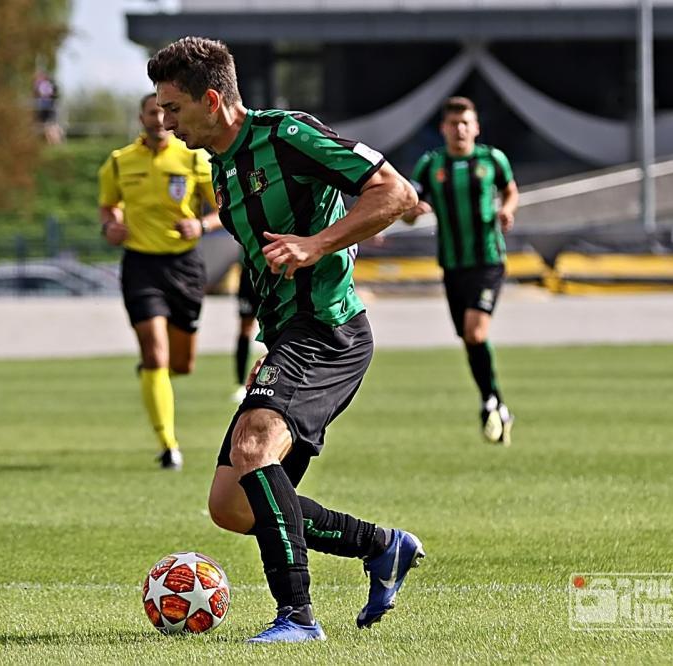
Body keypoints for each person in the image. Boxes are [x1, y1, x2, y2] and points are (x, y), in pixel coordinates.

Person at [148, 36, 424, 643]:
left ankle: (297, 617)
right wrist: (271, 347)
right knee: (233, 506)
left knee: (253, 450)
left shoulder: (286, 135)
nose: (164, 122)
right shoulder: (221, 165)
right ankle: (382, 547)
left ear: (212, 99)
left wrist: (316, 245)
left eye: (172, 108)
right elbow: (266, 263)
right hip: (293, 337)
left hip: (329, 329)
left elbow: (397, 195)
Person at [97, 93, 220, 470]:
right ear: (141, 117)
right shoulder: (120, 162)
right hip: (140, 266)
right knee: (155, 355)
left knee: (181, 364)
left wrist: (199, 225)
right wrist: (110, 225)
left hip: (184, 267)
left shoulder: (195, 158)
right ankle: (168, 445)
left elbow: (221, 210)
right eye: (152, 112)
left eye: (165, 111)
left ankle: (157, 375)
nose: (159, 118)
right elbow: (108, 205)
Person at [404, 96, 519, 444]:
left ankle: (489, 401)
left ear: (476, 127)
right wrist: (414, 210)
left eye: (466, 123)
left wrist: (507, 210)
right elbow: (408, 211)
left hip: (488, 259)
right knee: (469, 339)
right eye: (454, 124)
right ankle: (495, 401)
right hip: (453, 265)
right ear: (443, 128)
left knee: (476, 332)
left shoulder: (491, 159)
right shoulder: (430, 165)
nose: (460, 129)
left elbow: (510, 190)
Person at [231, 265, 261, 402]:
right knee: (245, 329)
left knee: (280, 326)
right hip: (249, 272)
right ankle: (241, 385)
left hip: (276, 272)